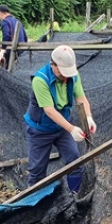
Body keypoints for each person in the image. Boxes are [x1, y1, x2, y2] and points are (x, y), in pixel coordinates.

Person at [23, 45, 96, 193]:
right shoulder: (40, 80)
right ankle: (35, 205)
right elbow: (49, 111)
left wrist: (88, 117)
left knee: (75, 163)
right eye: (62, 72)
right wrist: (71, 129)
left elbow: (81, 98)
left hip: (62, 128)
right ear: (53, 65)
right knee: (37, 171)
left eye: (68, 72)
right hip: (40, 130)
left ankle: (74, 197)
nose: (65, 76)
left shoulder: (73, 76)